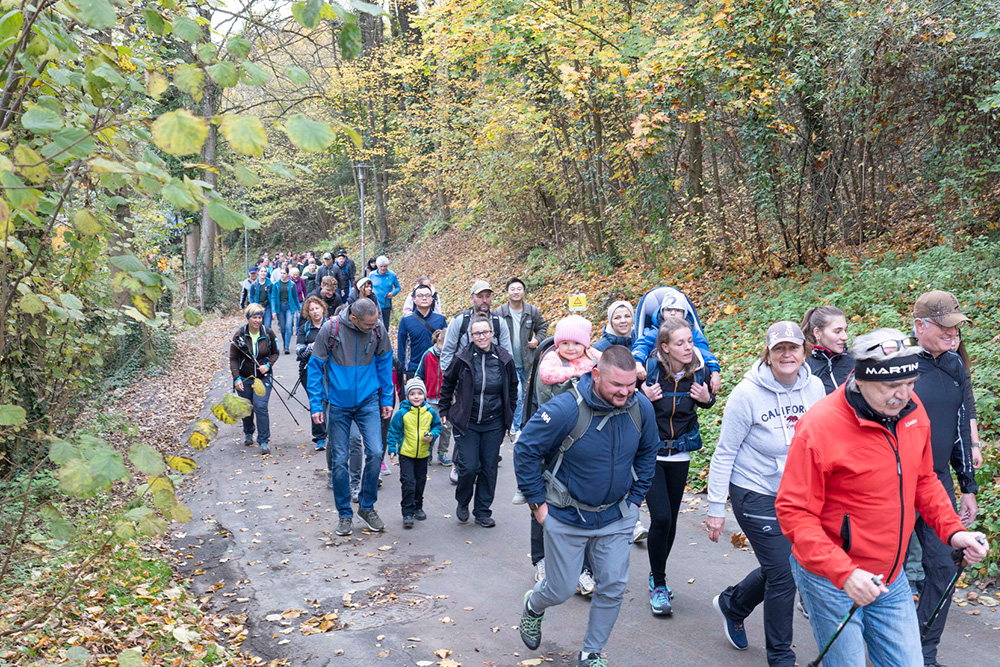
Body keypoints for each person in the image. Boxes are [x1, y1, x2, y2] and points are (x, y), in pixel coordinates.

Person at [776, 327, 990, 667]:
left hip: (891, 576)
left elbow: (924, 479)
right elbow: (794, 512)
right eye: (891, 387)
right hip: (833, 579)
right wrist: (844, 573)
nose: (903, 395)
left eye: (910, 384)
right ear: (861, 380)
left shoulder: (912, 410)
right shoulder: (819, 428)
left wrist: (954, 531)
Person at [514, 346, 659, 667]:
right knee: (562, 588)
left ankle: (591, 653)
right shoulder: (567, 408)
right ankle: (534, 605)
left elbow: (649, 452)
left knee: (612, 586)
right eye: (616, 386)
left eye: (630, 385)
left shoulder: (641, 408)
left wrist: (636, 498)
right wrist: (538, 505)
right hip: (566, 516)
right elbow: (525, 448)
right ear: (596, 376)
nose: (624, 392)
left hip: (616, 515)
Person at [705, 321, 825, 667]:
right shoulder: (747, 394)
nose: (787, 354)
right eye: (779, 349)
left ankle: (734, 604)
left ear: (805, 351)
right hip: (754, 491)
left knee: (788, 564)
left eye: (793, 348)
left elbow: (821, 441)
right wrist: (715, 507)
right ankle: (781, 658)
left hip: (798, 493)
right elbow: (725, 451)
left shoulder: (815, 388)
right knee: (785, 576)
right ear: (769, 354)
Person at [910, 290, 980, 666]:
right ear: (920, 326)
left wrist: (968, 487)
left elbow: (959, 433)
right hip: (894, 483)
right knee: (884, 569)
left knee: (944, 565)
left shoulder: (954, 366)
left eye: (956, 330)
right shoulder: (897, 363)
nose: (954, 336)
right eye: (945, 329)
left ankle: (922, 652)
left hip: (936, 482)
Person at [640, 317, 716, 616]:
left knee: (670, 519)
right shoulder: (648, 371)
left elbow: (707, 402)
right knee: (660, 517)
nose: (688, 347)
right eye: (680, 343)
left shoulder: (700, 370)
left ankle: (657, 573)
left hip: (680, 453)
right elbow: (624, 399)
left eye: (690, 341)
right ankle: (659, 584)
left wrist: (707, 399)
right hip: (651, 453)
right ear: (665, 347)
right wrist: (641, 395)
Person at [525, 315, 603, 594]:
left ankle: (582, 569)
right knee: (542, 501)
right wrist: (577, 373)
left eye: (576, 343)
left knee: (581, 504)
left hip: (583, 441)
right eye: (565, 342)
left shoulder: (593, 357)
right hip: (551, 440)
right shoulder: (551, 359)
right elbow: (548, 379)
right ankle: (542, 559)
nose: (570, 348)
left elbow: (609, 367)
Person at [307, 298, 394, 537]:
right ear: (354, 319)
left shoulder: (377, 327)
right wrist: (316, 405)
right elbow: (315, 368)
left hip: (368, 401)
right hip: (338, 404)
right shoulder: (331, 329)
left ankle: (366, 507)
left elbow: (386, 362)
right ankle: (344, 514)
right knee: (339, 460)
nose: (374, 327)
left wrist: (387, 398)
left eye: (376, 322)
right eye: (369, 324)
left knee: (376, 452)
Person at [439, 315, 519, 528]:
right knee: (469, 467)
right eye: (477, 333)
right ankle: (463, 501)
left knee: (488, 468)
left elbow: (512, 387)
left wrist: (509, 413)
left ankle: (483, 511)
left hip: (494, 422)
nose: (481, 336)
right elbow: (448, 381)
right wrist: (444, 408)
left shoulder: (503, 358)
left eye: (485, 332)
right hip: (467, 421)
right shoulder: (463, 357)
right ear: (471, 336)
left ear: (492, 334)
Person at [593, 299, 650, 544]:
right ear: (610, 321)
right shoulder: (601, 348)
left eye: (627, 316)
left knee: (632, 462)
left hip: (638, 411)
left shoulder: (644, 344)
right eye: (617, 317)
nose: (623, 321)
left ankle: (630, 515)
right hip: (610, 413)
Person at [633, 288, 722, 394]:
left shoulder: (692, 334)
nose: (673, 313)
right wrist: (637, 362)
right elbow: (641, 345)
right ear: (662, 312)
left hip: (686, 376)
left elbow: (704, 351)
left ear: (684, 313)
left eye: (678, 310)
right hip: (660, 376)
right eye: (669, 310)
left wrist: (715, 372)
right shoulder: (654, 332)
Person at [387, 377, 442, 528]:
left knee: (420, 481)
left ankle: (418, 506)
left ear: (424, 395)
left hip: (423, 454)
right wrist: (392, 449)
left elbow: (437, 426)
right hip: (406, 453)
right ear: (407, 396)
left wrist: (432, 434)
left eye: (419, 393)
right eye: (412, 394)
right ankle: (407, 512)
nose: (416, 397)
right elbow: (393, 431)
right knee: (408, 482)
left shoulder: (430, 412)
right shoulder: (402, 413)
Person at [496, 278, 547, 437]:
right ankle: (515, 427)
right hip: (507, 361)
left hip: (526, 361)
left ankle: (514, 421)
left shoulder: (531, 311)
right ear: (507, 292)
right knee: (517, 393)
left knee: (522, 394)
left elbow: (542, 327)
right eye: (513, 289)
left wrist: (537, 340)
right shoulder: (500, 312)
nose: (516, 292)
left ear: (524, 291)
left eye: (519, 289)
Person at [229, 303, 279, 455]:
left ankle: (264, 440)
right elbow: (233, 358)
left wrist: (268, 366)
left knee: (260, 406)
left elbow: (275, 353)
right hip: (245, 378)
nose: (257, 321)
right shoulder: (240, 335)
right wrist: (236, 378)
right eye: (254, 318)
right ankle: (249, 431)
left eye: (260, 317)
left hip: (263, 378)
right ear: (248, 318)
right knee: (247, 408)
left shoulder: (268, 333)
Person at [440, 280, 513, 373]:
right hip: (464, 378)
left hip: (494, 378)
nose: (484, 300)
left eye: (487, 296)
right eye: (480, 297)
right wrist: (450, 380)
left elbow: (507, 354)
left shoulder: (499, 322)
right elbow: (447, 352)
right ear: (471, 299)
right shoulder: (459, 321)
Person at [417, 329, 454, 467]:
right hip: (430, 398)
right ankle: (428, 451)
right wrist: (418, 391)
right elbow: (419, 374)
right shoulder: (428, 355)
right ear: (439, 341)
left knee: (446, 427)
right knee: (430, 425)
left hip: (448, 399)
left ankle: (442, 453)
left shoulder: (452, 356)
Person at [296, 296, 329, 452]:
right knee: (317, 400)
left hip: (330, 369)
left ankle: (332, 431)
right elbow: (299, 352)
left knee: (329, 400)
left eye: (317, 308)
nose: (315, 312)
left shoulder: (331, 325)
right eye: (312, 310)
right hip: (308, 370)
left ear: (322, 308)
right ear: (308, 313)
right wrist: (312, 347)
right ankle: (320, 437)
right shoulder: (305, 328)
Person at [397, 283, 448, 381]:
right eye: (420, 295)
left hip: (436, 368)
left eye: (427, 295)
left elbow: (446, 346)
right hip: (413, 368)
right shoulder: (406, 320)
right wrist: (402, 371)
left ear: (432, 299)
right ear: (414, 299)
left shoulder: (440, 319)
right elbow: (401, 347)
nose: (424, 298)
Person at [801, 305, 855, 394]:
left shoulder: (854, 360)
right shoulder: (803, 366)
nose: (845, 337)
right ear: (817, 333)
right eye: (837, 331)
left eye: (845, 330)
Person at [269, 267, 302, 355]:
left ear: (288, 274)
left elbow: (295, 297)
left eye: (284, 273)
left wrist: (299, 308)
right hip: (280, 307)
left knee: (288, 326)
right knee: (282, 328)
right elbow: (273, 297)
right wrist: (273, 310)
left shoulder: (292, 284)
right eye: (281, 273)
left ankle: (287, 346)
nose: (282, 275)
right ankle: (284, 343)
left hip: (289, 307)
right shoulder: (276, 285)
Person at [369, 255, 401, 330]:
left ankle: (384, 340)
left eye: (385, 266)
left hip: (386, 304)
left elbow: (398, 287)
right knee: (374, 325)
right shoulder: (372, 275)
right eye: (381, 266)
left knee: (385, 326)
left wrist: (393, 293)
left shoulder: (392, 275)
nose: (383, 268)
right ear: (377, 266)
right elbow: (369, 287)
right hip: (374, 304)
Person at [248, 268, 273, 333]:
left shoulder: (269, 284)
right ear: (258, 272)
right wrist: (253, 306)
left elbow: (273, 297)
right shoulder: (254, 284)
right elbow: (251, 296)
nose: (263, 273)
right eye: (261, 271)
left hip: (267, 307)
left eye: (265, 271)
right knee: (258, 325)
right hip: (258, 308)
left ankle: (267, 341)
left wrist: (274, 310)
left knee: (267, 325)